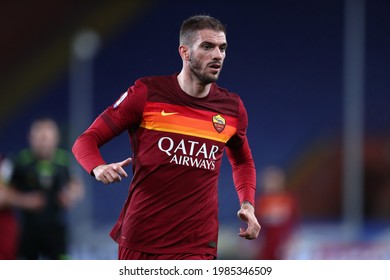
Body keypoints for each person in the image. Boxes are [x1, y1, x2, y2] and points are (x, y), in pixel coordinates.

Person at [72, 14, 260, 260]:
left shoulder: (231, 108)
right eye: (207, 46)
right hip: (141, 240)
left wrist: (247, 203)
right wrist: (97, 167)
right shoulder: (146, 94)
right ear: (184, 52)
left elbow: (243, 161)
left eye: (222, 48)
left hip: (196, 245)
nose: (218, 55)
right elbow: (86, 140)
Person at [7, 118, 84, 259]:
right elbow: (2, 194)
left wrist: (70, 195)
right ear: (31, 138)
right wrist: (24, 201)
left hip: (56, 231)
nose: (44, 143)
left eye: (47, 138)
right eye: (40, 138)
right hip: (27, 231)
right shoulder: (19, 161)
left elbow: (77, 186)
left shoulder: (64, 160)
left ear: (56, 139)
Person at [255, 166, 299, 260]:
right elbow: (255, 222)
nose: (270, 184)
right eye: (268, 181)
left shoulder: (288, 199)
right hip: (265, 242)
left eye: (274, 180)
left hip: (282, 241)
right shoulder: (261, 200)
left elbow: (293, 222)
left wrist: (290, 241)